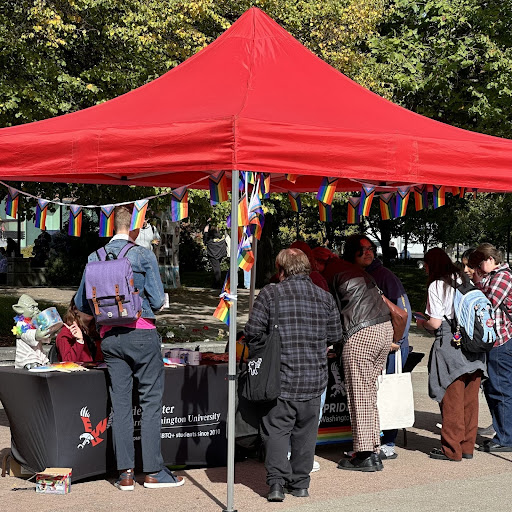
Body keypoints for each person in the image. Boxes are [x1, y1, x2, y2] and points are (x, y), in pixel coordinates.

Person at [75, 205, 184, 490]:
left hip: (110, 338)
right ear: (136, 226)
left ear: (112, 226)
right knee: (150, 402)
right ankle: (153, 471)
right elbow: (158, 300)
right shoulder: (143, 254)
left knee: (120, 404)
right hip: (141, 333)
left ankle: (125, 474)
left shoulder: (93, 257)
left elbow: (82, 304)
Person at [244, 248, 342, 502]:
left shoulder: (270, 294)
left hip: (279, 377)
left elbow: (252, 332)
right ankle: (300, 484)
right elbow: (335, 336)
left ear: (281, 270)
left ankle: (276, 484)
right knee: (305, 434)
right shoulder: (324, 297)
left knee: (276, 430)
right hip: (313, 376)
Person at [343, 234, 412, 459]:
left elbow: (403, 312)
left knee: (387, 391)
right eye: (362, 250)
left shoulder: (384, 276)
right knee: (369, 395)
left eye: (371, 248)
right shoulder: (354, 275)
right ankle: (370, 441)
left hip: (389, 345)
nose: (368, 253)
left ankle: (388, 442)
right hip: (367, 341)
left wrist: (396, 341)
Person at [416, 248, 486, 461]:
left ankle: (451, 450)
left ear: (430, 265)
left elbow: (435, 322)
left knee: (451, 397)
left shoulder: (438, 285)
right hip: (475, 344)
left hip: (451, 343)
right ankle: (467, 447)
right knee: (470, 399)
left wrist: (421, 322)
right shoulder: (466, 279)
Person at [331, 263, 393, 472]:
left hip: (361, 331)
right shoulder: (359, 272)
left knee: (359, 394)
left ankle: (364, 454)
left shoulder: (331, 272)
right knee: (368, 393)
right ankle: (373, 448)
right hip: (384, 328)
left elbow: (332, 310)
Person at [469, 243, 512, 452]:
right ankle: (502, 432)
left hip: (501, 341)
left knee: (501, 389)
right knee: (493, 388)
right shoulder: (491, 277)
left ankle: (506, 438)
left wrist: (477, 285)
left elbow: (487, 303)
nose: (476, 270)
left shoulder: (503, 276)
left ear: (489, 259)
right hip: (493, 341)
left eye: (478, 264)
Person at [55, 295, 103, 362]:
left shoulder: (98, 329)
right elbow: (67, 363)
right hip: (79, 372)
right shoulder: (66, 333)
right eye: (86, 306)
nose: (90, 309)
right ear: (75, 309)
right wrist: (79, 341)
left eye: (92, 305)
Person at [203, 221, 228, 288]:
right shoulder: (221, 237)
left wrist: (206, 227)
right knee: (217, 267)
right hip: (220, 254)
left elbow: (205, 240)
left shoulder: (209, 238)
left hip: (212, 255)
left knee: (216, 268)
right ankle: (215, 283)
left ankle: (218, 283)